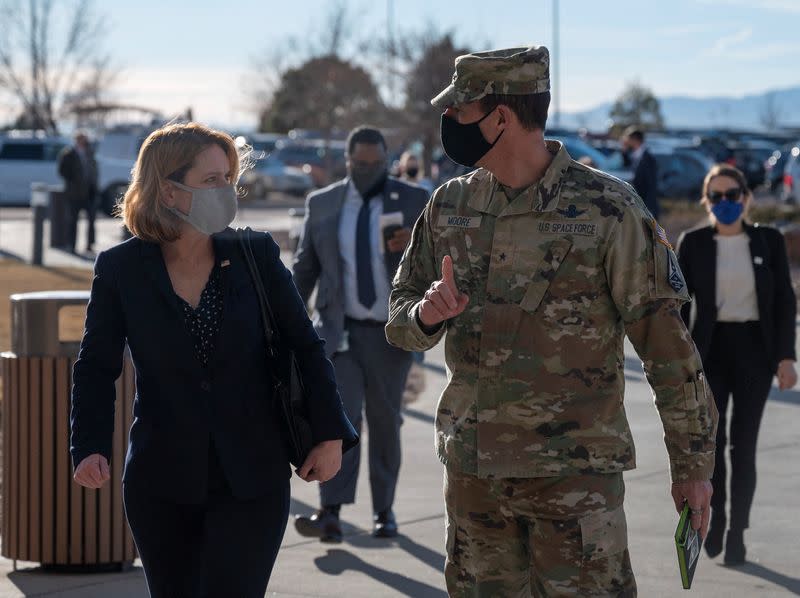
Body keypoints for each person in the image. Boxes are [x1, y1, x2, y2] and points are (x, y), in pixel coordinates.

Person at [386, 46, 718, 596]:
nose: (447, 123)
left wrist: (693, 464)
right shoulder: (449, 206)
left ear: (500, 118)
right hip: (474, 480)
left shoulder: (608, 210)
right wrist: (425, 314)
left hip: (574, 483)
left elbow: (668, 348)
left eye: (458, 111)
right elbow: (398, 313)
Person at [70, 122, 357, 597]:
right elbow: (96, 366)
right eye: (211, 181)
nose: (226, 190)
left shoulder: (256, 255)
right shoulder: (121, 269)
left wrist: (329, 434)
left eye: (228, 178)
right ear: (169, 189)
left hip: (252, 477)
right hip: (160, 481)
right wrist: (90, 446)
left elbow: (305, 345)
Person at [292, 125, 429, 543]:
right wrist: (286, 324)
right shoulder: (324, 203)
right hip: (340, 333)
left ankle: (384, 512)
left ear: (388, 161)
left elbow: (433, 262)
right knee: (340, 422)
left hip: (390, 334)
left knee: (386, 423)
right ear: (347, 161)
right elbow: (305, 269)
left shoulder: (414, 201)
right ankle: (330, 511)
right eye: (360, 163)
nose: (368, 170)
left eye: (376, 164)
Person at [676, 164, 797, 565]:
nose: (725, 203)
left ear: (745, 198)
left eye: (732, 196)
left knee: (742, 447)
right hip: (711, 353)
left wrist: (785, 357)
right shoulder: (693, 244)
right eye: (717, 197)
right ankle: (717, 517)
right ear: (707, 202)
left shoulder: (768, 240)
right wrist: (676, 359)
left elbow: (784, 300)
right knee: (711, 447)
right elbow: (677, 305)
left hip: (755, 354)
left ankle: (737, 532)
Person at [57, 131, 98, 253]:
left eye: (84, 139)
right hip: (74, 193)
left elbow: (94, 170)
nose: (83, 142)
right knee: (72, 220)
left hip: (89, 192)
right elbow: (62, 171)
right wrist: (73, 181)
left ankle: (90, 244)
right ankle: (71, 245)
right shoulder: (68, 154)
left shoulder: (90, 153)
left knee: (91, 219)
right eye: (81, 139)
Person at [621, 126, 659, 220]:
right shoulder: (636, 154)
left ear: (634, 140)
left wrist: (648, 210)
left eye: (627, 138)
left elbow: (651, 186)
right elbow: (627, 164)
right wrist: (624, 151)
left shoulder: (648, 158)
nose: (625, 141)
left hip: (647, 208)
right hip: (639, 206)